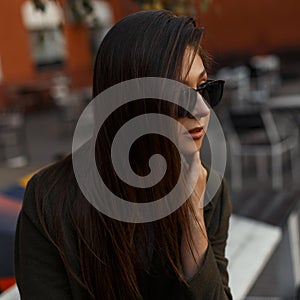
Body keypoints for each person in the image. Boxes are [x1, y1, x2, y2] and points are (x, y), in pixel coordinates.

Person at [14, 9, 232, 300]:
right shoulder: (49, 201)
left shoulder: (208, 191)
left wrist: (192, 216)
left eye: (203, 89)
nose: (203, 111)